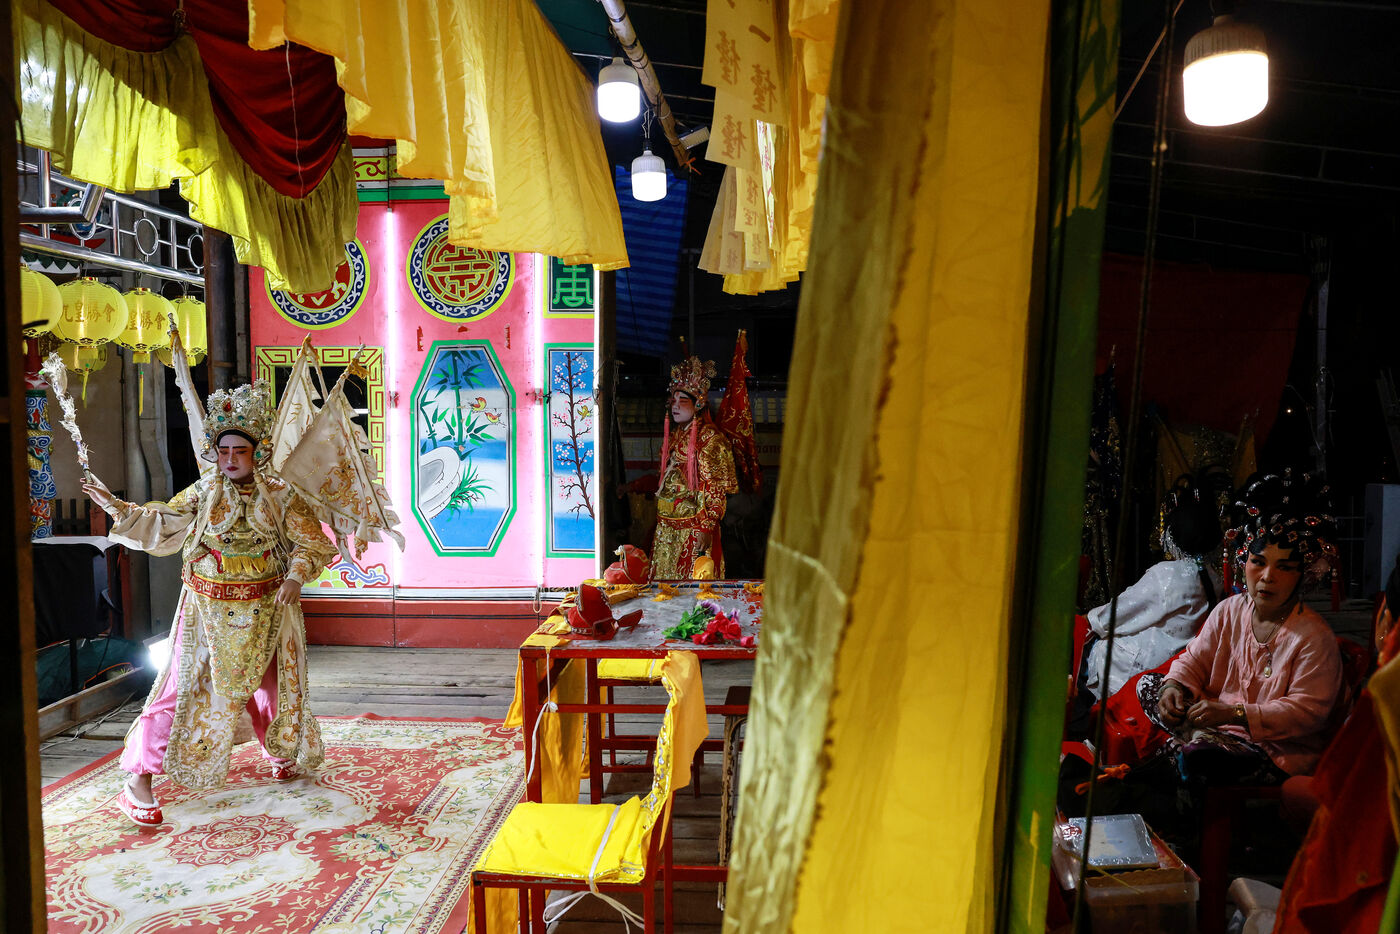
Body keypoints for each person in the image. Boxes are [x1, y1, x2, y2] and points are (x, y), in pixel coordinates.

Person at [81, 380, 337, 826]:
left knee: (274, 684)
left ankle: (279, 748)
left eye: (240, 451)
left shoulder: (281, 493)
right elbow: (162, 521)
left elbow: (310, 542)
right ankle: (138, 778)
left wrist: (296, 576)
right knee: (180, 690)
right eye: (224, 451)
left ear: (257, 452)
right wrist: (117, 507)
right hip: (206, 609)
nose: (231, 459)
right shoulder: (203, 492)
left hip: (268, 604)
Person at [1147, 471, 1343, 785]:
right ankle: (1195, 744)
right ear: (1243, 561)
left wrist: (1235, 714)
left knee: (1203, 757)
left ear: (1303, 574)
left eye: (1284, 567)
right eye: (1258, 562)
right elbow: (1194, 660)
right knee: (1150, 686)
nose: (1267, 577)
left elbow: (1307, 712)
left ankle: (1193, 747)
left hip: (1274, 749)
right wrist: (1174, 688)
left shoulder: (1313, 636)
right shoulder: (1229, 611)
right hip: (1217, 726)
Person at [1081, 481, 1224, 701]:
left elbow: (1121, 612)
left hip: (1142, 666)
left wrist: (1091, 620)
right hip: (1172, 663)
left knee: (1092, 646)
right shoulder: (1214, 578)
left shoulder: (1168, 574)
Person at [650, 355, 738, 579]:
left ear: (698, 404)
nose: (675, 406)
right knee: (664, 586)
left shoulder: (709, 439)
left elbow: (716, 488)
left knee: (693, 586)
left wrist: (707, 527)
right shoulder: (676, 436)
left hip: (694, 528)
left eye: (683, 401)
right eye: (673, 401)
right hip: (667, 529)